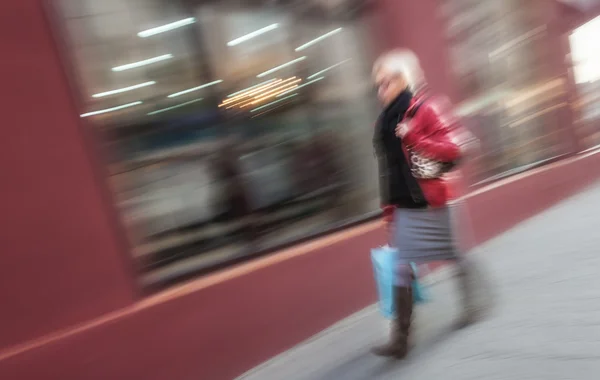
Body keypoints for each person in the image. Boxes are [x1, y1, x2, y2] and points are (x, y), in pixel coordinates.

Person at [371, 49, 481, 359]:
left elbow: (453, 148)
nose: (381, 89)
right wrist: (388, 211)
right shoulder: (382, 122)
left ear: (403, 79)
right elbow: (389, 169)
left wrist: (415, 138)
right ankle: (400, 341)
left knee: (455, 256)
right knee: (402, 268)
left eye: (387, 82)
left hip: (435, 201)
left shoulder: (426, 109)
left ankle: (472, 305)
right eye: (378, 84)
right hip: (405, 205)